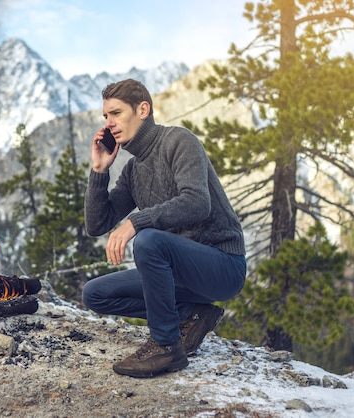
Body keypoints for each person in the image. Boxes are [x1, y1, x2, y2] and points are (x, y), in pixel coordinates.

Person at [82, 79, 246, 378]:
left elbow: (197, 202)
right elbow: (98, 224)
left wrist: (136, 221)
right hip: (180, 274)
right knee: (95, 294)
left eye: (116, 113)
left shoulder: (178, 141)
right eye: (106, 117)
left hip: (222, 265)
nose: (109, 124)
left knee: (148, 241)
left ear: (142, 109)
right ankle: (193, 314)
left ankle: (165, 346)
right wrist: (99, 171)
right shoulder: (133, 170)